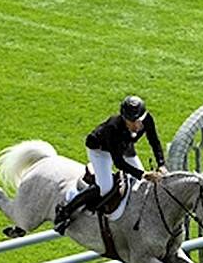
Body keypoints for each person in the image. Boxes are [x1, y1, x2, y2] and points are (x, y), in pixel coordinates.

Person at [54, 95, 167, 234]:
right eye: (131, 121)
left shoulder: (147, 120)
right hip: (100, 150)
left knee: (143, 185)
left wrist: (161, 164)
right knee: (105, 188)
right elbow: (119, 163)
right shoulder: (113, 128)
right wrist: (143, 174)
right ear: (124, 118)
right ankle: (65, 211)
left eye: (138, 121)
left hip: (125, 146)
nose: (135, 125)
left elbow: (154, 142)